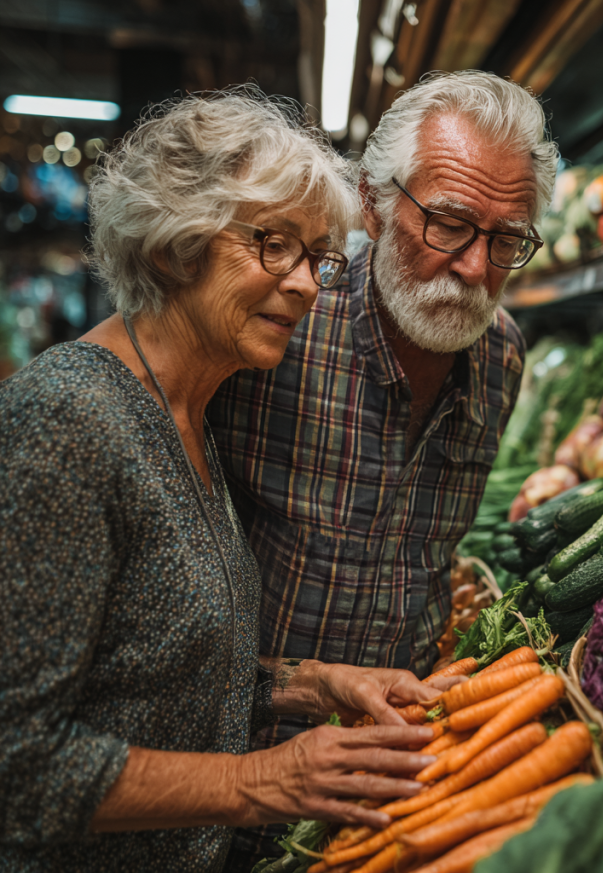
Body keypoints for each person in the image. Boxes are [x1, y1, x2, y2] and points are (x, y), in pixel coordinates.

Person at [0, 86, 455, 873]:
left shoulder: (191, 418)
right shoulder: (66, 419)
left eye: (316, 256)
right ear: (178, 240)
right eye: (273, 244)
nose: (308, 284)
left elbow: (153, 680)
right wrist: (258, 780)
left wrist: (313, 684)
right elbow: (18, 762)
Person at [209, 70, 559, 869]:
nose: (475, 267)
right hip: (221, 785)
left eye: (507, 239)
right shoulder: (276, 327)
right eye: (447, 223)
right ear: (371, 202)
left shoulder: (501, 356)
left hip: (387, 800)